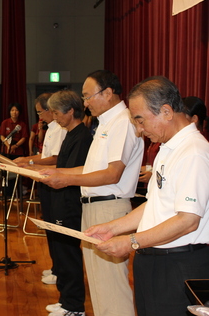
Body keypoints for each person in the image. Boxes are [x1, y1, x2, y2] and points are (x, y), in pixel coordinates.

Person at [85, 76, 209, 316]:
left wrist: (131, 241)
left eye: (140, 121)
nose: (139, 130)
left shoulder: (193, 152)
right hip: (155, 259)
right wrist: (112, 228)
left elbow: (187, 220)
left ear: (166, 111)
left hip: (179, 264)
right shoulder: (168, 147)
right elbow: (155, 204)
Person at [39, 70, 144, 316]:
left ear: (107, 93)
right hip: (93, 206)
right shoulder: (104, 124)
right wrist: (60, 174)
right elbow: (91, 169)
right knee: (98, 283)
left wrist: (66, 179)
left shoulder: (122, 122)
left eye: (88, 96)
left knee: (111, 286)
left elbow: (112, 174)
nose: (84, 103)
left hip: (108, 207)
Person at [43, 90, 92, 316]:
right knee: (60, 253)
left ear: (71, 111)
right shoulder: (70, 133)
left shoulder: (82, 136)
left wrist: (41, 171)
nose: (54, 117)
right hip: (60, 200)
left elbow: (71, 172)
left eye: (56, 112)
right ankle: (65, 300)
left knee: (68, 254)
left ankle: (74, 306)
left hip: (70, 203)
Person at [14, 93, 67, 286]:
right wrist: (30, 160)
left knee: (56, 229)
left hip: (54, 181)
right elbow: (46, 155)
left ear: (50, 110)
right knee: (49, 227)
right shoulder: (50, 128)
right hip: (45, 180)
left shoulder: (59, 130)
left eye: (40, 112)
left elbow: (54, 158)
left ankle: (60, 270)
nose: (39, 117)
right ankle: (55, 267)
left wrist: (29, 161)